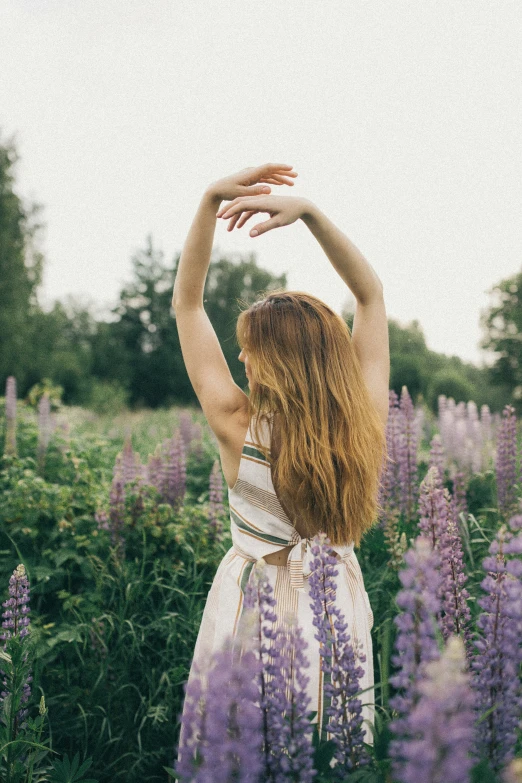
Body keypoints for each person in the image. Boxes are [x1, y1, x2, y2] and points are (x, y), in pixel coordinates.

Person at [172, 163, 389, 757]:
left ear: (273, 367)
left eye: (249, 353)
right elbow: (370, 299)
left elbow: (188, 306)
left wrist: (209, 200)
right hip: (334, 607)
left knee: (238, 751)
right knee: (330, 748)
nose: (241, 360)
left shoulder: (236, 427)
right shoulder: (364, 424)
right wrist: (313, 214)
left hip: (251, 608)